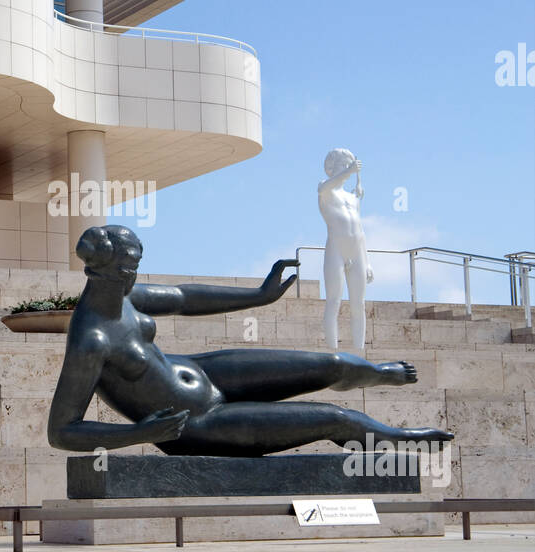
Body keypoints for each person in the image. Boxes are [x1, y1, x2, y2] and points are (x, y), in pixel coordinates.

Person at [48, 224, 452, 457]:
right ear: (99, 271)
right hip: (197, 423)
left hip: (208, 372)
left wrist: (258, 296)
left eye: (136, 266)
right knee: (335, 418)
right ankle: (401, 437)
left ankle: (373, 373)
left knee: (333, 365)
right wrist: (137, 435)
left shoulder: (126, 296)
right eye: (127, 268)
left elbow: (187, 298)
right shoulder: (91, 340)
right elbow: (62, 430)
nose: (134, 275)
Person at [319, 148, 372, 355]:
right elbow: (324, 188)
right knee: (334, 301)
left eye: (348, 165)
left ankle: (360, 351)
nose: (347, 170)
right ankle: (333, 351)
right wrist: (349, 171)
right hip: (336, 250)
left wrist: (367, 261)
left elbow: (360, 229)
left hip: (356, 250)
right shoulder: (325, 190)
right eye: (342, 165)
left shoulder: (354, 198)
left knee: (359, 304)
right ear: (332, 168)